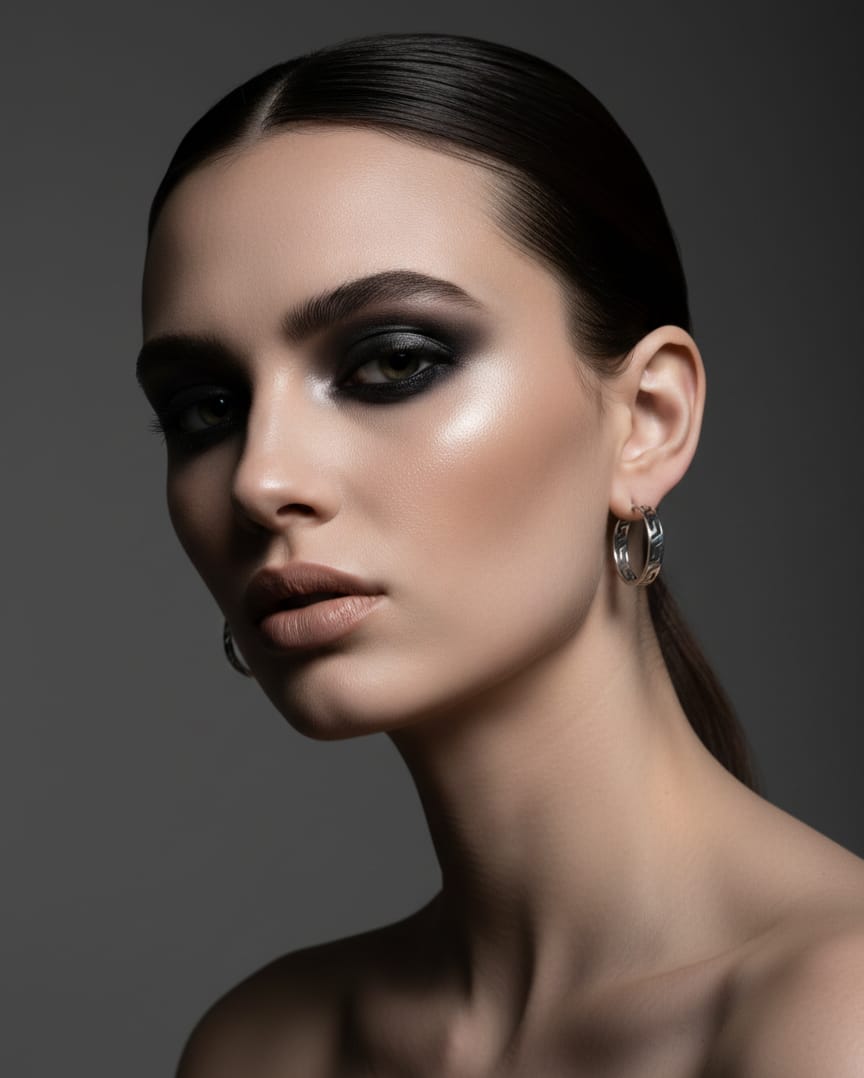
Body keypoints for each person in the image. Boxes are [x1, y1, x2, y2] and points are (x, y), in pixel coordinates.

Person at [136, 31, 864, 1077]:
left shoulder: (836, 1018)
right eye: (204, 408)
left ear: (647, 420)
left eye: (391, 361)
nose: (259, 478)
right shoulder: (263, 1047)